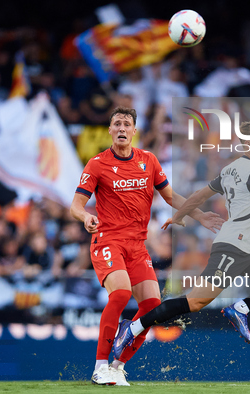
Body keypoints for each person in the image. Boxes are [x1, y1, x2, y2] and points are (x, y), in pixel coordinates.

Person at [113, 118, 250, 360]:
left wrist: (180, 215)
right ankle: (132, 327)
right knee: (195, 302)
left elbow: (198, 196)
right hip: (233, 247)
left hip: (248, 247)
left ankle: (240, 308)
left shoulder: (230, 169)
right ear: (248, 144)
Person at [70, 107, 223, 386]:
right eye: (116, 123)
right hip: (108, 240)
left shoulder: (149, 160)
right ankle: (100, 366)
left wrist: (199, 215)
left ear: (134, 131)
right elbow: (76, 205)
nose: (121, 128)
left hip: (137, 246)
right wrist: (86, 216)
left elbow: (170, 196)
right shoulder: (97, 164)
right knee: (120, 294)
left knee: (152, 305)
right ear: (109, 130)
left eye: (126, 124)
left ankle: (117, 365)